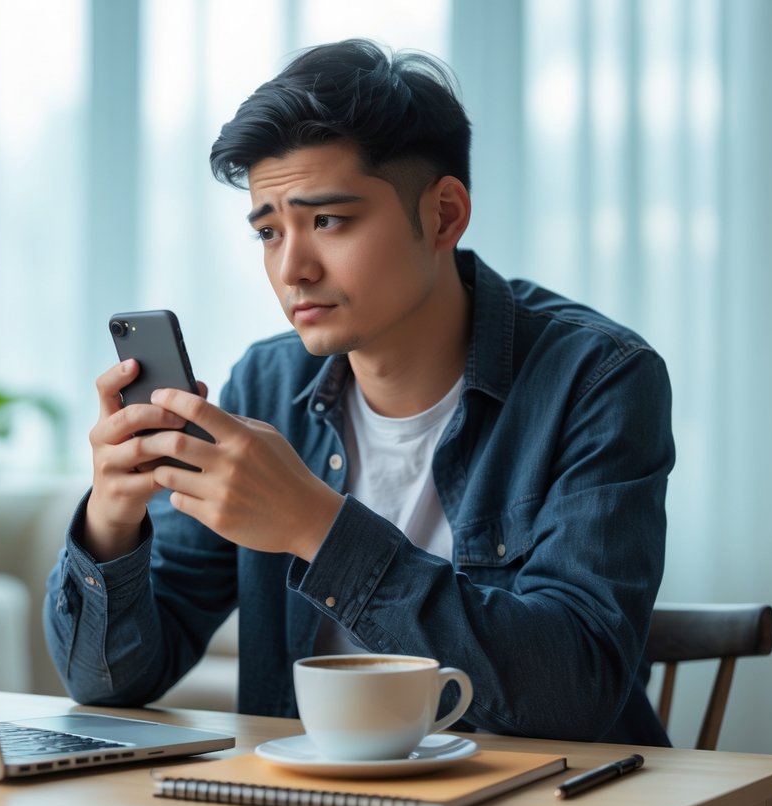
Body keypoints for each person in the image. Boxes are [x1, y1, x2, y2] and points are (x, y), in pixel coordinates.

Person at [44, 38, 674, 745]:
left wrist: (315, 525)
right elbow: (110, 683)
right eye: (268, 231)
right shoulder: (266, 384)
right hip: (311, 805)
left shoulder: (596, 378)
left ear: (442, 215)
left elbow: (573, 686)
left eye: (329, 222)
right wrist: (111, 523)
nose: (292, 269)